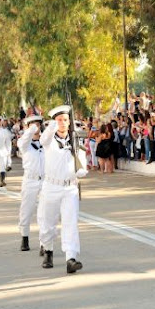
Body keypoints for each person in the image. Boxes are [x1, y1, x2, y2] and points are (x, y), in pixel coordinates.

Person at [39, 105, 88, 273]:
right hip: (51, 186)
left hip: (69, 187)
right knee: (48, 222)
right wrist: (52, 125)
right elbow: (42, 139)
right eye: (59, 120)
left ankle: (71, 258)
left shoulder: (75, 140)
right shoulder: (49, 139)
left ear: (70, 122)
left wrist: (81, 170)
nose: (62, 123)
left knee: (71, 222)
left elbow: (82, 162)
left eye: (65, 120)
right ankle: (48, 249)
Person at [17, 115, 45, 253]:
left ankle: (44, 243)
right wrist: (31, 129)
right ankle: (25, 237)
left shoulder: (46, 142)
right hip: (30, 180)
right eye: (33, 124)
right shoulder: (25, 145)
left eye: (38, 124)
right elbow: (23, 141)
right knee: (26, 210)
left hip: (45, 181)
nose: (36, 127)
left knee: (45, 212)